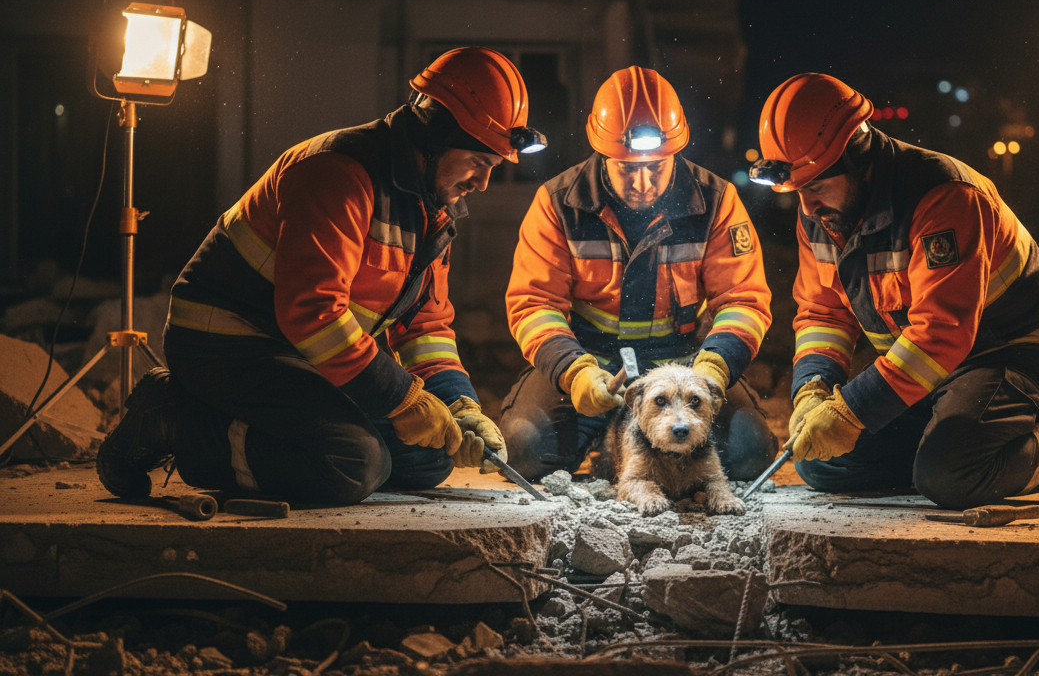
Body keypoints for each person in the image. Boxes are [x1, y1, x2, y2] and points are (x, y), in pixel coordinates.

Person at [96, 47, 549, 506]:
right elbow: (313, 313)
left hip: (303, 353)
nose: (482, 183)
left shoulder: (431, 208)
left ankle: (281, 438)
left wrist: (458, 404)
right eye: (478, 162)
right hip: (225, 343)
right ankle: (172, 418)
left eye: (492, 168)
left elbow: (424, 325)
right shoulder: (339, 172)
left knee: (428, 458)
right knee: (353, 463)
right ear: (435, 135)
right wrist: (403, 399)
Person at [749, 73, 1039, 510]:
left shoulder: (943, 196)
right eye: (798, 190)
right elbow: (824, 313)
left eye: (815, 186)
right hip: (929, 368)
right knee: (820, 463)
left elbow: (941, 332)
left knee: (949, 478)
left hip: (1015, 352)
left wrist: (852, 412)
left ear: (858, 156)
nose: (808, 206)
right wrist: (812, 390)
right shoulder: (823, 213)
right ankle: (949, 451)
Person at [499, 66, 777, 481]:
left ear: (675, 152)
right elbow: (534, 304)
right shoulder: (558, 203)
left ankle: (618, 444)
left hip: (685, 367)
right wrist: (575, 373)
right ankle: (614, 440)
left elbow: (743, 301)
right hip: (591, 365)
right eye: (627, 168)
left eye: (656, 167)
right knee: (525, 449)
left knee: (749, 454)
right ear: (602, 153)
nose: (643, 182)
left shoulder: (717, 201)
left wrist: (713, 369)